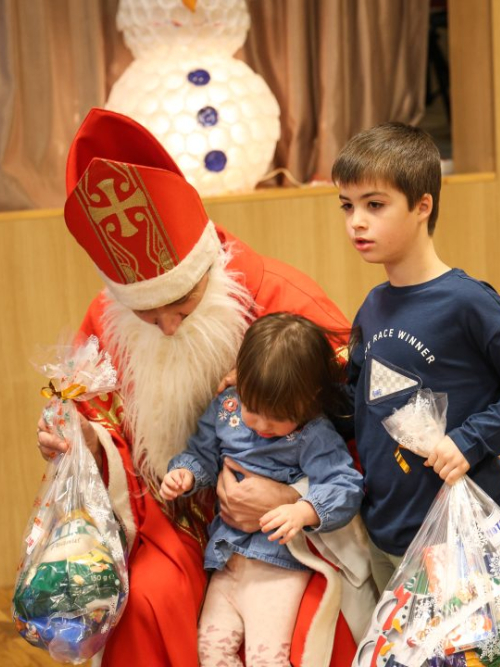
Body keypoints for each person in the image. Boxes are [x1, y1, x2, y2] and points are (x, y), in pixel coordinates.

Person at [36, 108, 372, 666]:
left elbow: (359, 434)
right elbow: (101, 423)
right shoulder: (108, 319)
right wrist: (84, 444)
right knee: (143, 603)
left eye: (181, 305)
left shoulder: (287, 306)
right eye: (147, 314)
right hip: (169, 524)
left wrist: (293, 498)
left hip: (292, 534)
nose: (167, 327)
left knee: (309, 623)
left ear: (207, 272)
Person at [331, 122, 500, 594]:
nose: (356, 221)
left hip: (456, 534)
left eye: (374, 205)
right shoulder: (374, 304)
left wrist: (469, 441)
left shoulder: (466, 301)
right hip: (386, 529)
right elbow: (353, 407)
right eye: (348, 206)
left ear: (423, 206)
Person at [161, 312, 364, 666]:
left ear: (309, 398)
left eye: (279, 415)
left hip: (277, 567)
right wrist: (185, 474)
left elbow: (345, 484)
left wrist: (304, 509)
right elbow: (201, 455)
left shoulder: (312, 433)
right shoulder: (226, 408)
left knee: (266, 658)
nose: (263, 425)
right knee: (210, 650)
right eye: (253, 409)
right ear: (239, 381)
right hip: (225, 558)